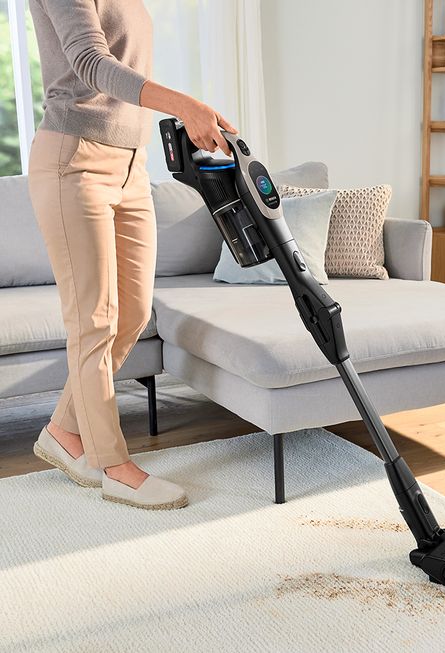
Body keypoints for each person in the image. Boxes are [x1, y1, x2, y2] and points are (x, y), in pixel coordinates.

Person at [28, 0, 237, 510]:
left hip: (132, 166)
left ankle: (62, 431)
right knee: (93, 320)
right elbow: (90, 63)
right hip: (73, 160)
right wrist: (185, 105)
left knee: (134, 314)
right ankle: (112, 466)